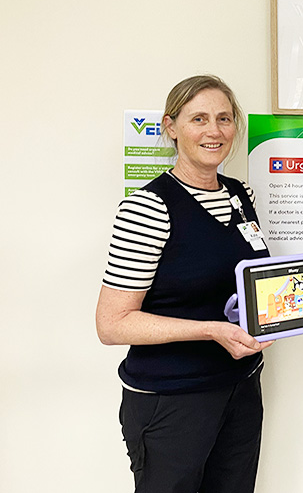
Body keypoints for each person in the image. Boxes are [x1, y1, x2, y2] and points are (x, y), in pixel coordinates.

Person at [95, 75, 273, 493]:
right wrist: (210, 330)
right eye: (199, 119)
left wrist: (281, 315)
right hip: (172, 400)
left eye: (224, 119)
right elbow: (112, 324)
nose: (215, 131)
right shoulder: (148, 207)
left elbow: (247, 285)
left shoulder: (240, 194)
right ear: (171, 127)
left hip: (241, 387)